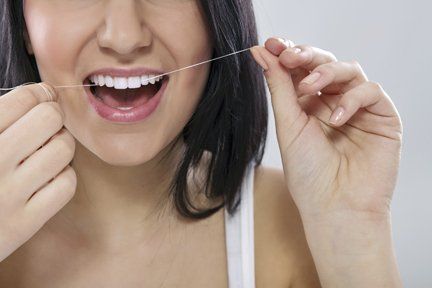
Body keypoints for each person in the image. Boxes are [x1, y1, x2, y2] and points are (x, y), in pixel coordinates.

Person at [0, 0, 403, 287]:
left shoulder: (294, 225)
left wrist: (356, 239)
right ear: (22, 24)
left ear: (216, 17)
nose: (124, 37)